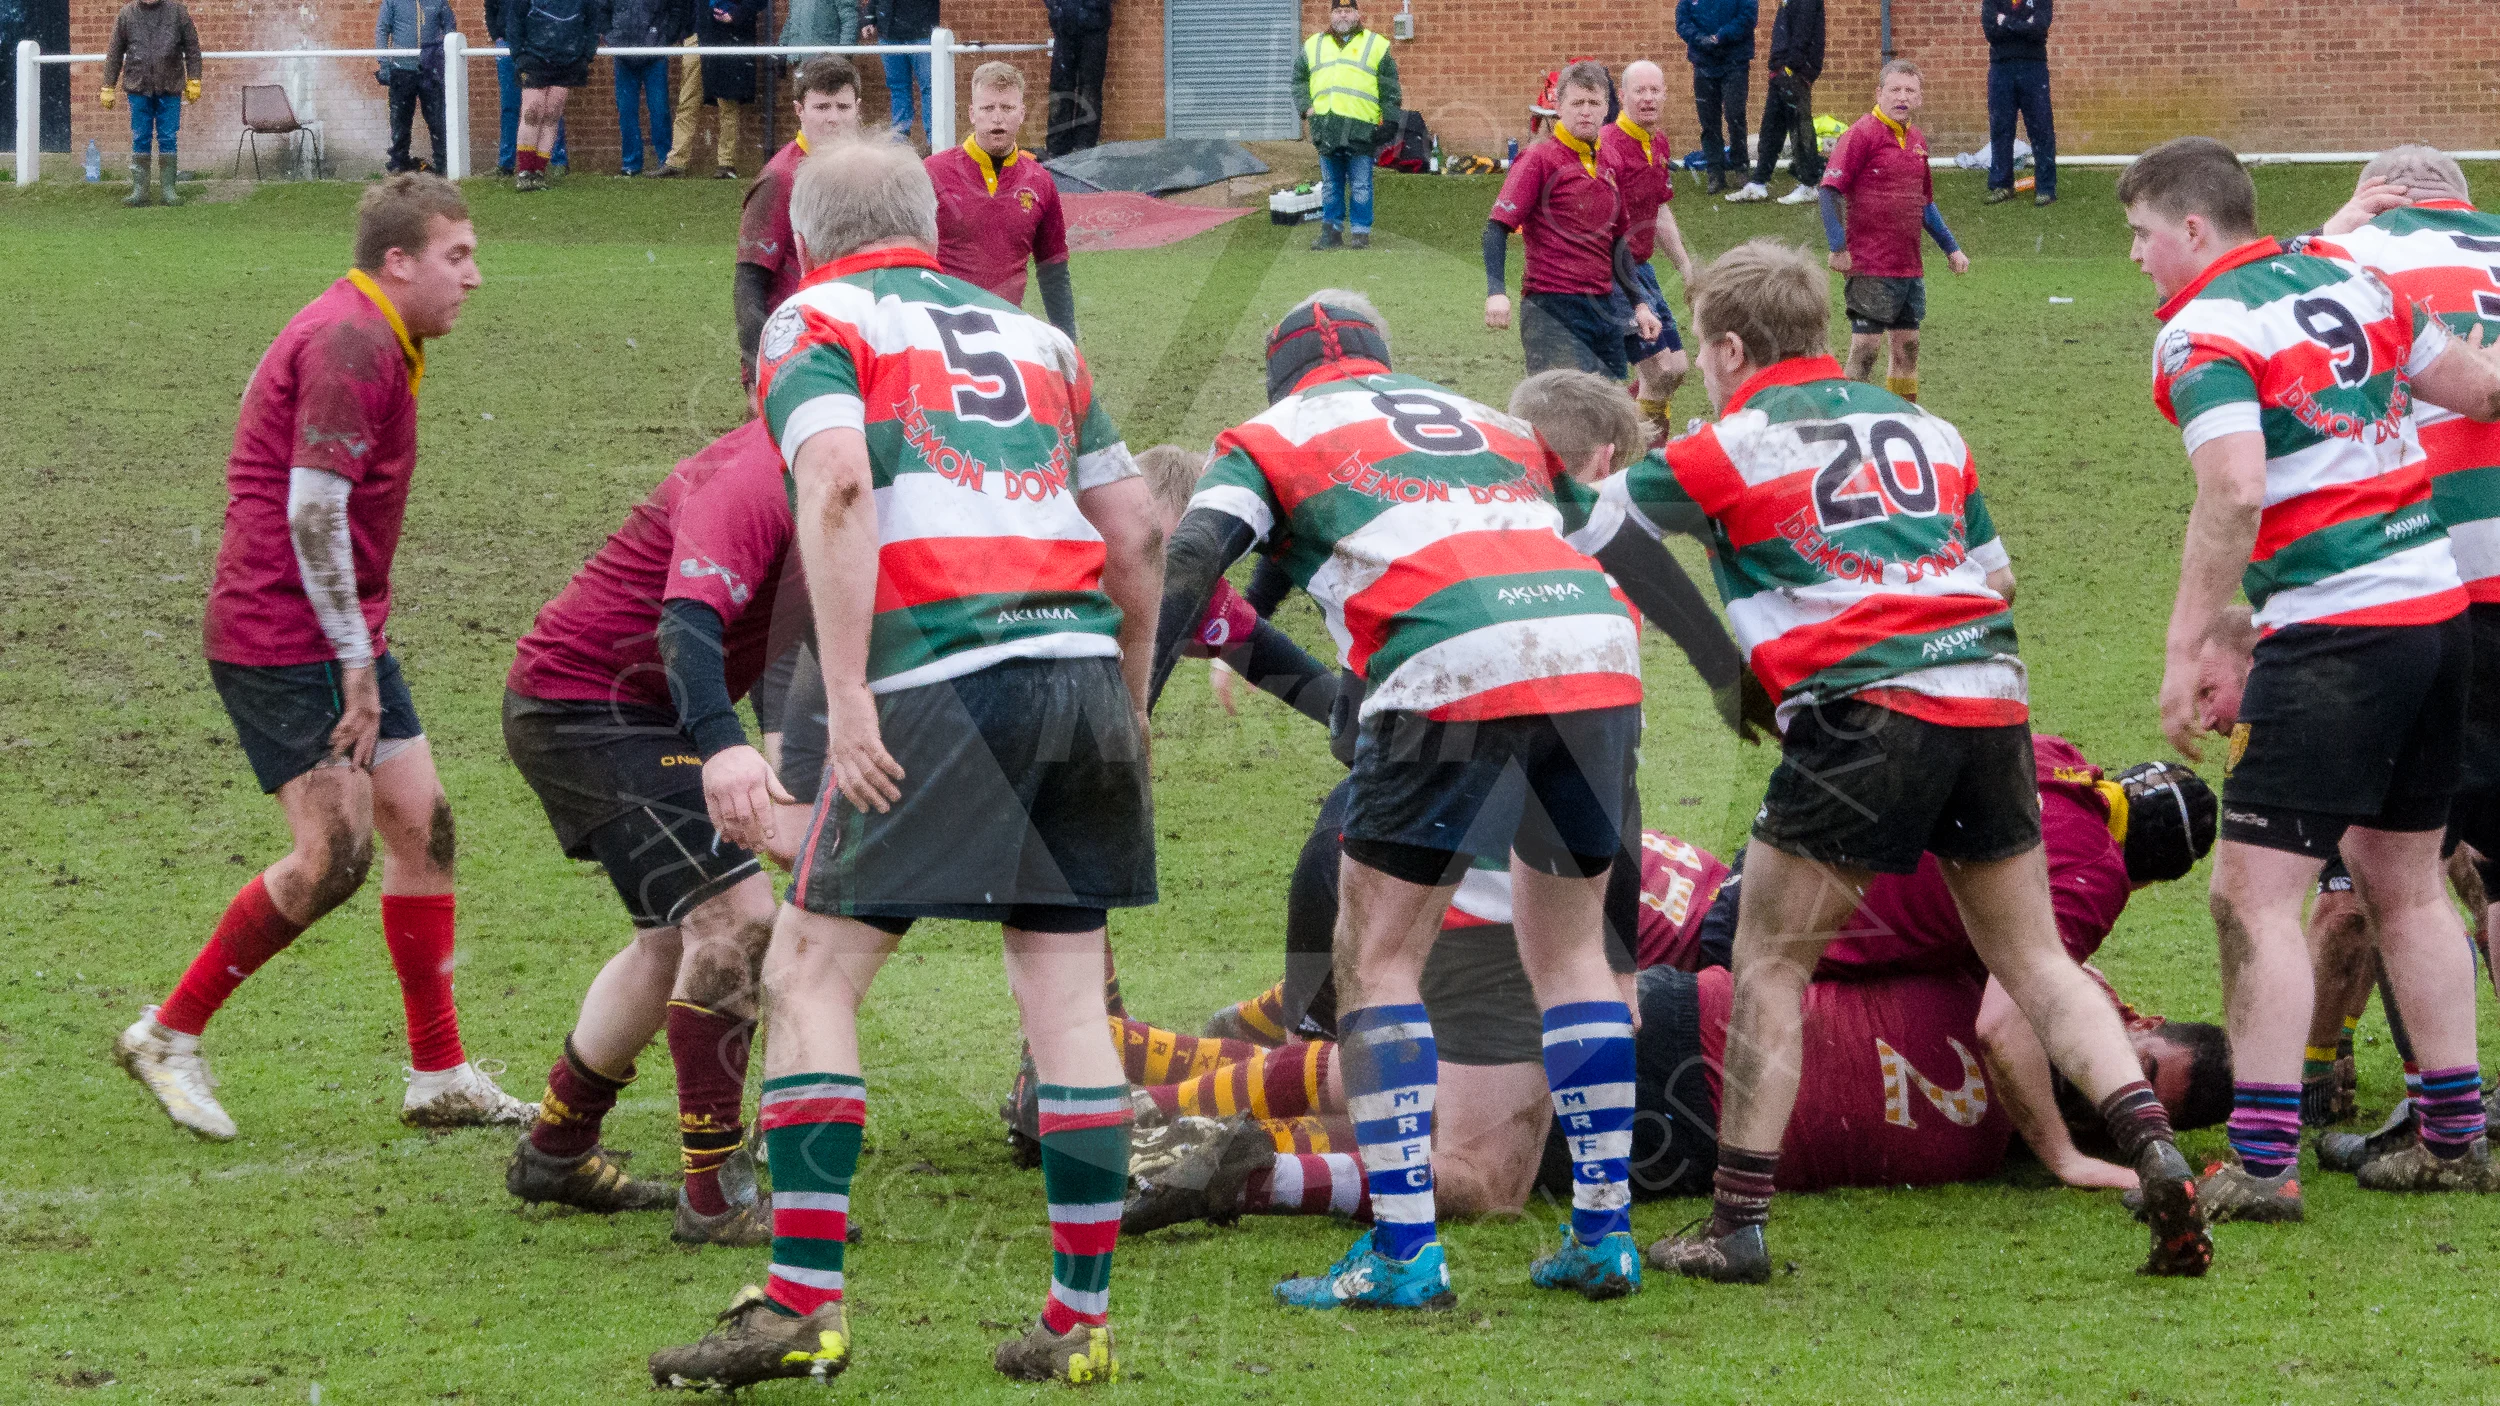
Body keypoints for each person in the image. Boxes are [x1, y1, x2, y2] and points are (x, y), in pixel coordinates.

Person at [646, 139, 1161, 1390]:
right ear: (930, 226)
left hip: (941, 679)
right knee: (1063, 996)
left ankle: (802, 1306)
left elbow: (832, 487)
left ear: (810, 239)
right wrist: (1128, 710)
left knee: (812, 969)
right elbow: (1139, 533)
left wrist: (852, 698)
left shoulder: (812, 316)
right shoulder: (1038, 339)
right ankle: (1079, 1321)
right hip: (1077, 670)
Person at [1611, 237, 2209, 1284]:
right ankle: (2155, 1147)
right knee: (2034, 962)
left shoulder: (1729, 441)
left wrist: (1733, 654)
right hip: (1988, 697)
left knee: (1768, 966)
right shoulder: (1928, 428)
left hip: (1863, 711)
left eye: (1705, 351)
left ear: (1732, 346)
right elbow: (1999, 576)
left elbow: (1598, 530)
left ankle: (1736, 1222)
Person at [1147, 300, 1765, 1310]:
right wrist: (1719, 668)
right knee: (1572, 957)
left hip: (1444, 661)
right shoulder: (1491, 422)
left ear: (1282, 379)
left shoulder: (1267, 436)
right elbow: (1623, 541)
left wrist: (1137, 706)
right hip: (1592, 661)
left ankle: (1400, 1252)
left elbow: (1189, 555)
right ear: (1384, 363)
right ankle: (1602, 1235)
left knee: (1379, 958)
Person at [1120, 751, 2231, 1235]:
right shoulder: (2032, 1008)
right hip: (1694, 1027)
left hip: (1691, 1061)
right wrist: (2078, 1149)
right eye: (2142, 1087)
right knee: (1446, 1128)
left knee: (1424, 1104)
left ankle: (1159, 1095)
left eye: (2146, 1099)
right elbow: (2018, 994)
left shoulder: (2032, 989)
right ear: (2129, 1027)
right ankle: (1182, 1111)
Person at [2123, 136, 2500, 1213]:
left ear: (2193, 228)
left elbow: (2234, 488)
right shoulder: (2351, 273)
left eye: (2141, 235)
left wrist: (2189, 640)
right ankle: (2452, 1135)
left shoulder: (2199, 330)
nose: (2137, 258)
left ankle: (2261, 1159)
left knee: (2252, 893)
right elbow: (2475, 388)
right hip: (2438, 616)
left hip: (2335, 634)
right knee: (2408, 881)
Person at [114, 177, 534, 1141]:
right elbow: (311, 511)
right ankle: (166, 1034)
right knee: (334, 856)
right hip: (282, 635)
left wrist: (360, 641)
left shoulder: (384, 329)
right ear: (399, 262)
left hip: (340, 629)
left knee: (423, 832)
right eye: (457, 256)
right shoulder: (353, 342)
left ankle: (439, 1076)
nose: (475, 277)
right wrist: (353, 657)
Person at [499, 421, 804, 1245]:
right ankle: (715, 1195)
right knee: (736, 921)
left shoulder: (838, 470)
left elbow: (789, 642)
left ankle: (557, 1147)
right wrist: (723, 748)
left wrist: (786, 772)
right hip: (589, 708)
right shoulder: (756, 474)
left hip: (627, 709)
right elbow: (688, 625)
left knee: (671, 944)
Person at [1485, 63, 1664, 381]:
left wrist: (1639, 304)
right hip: (1552, 308)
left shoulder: (1611, 159)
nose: (1585, 112)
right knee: (1563, 411)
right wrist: (1496, 291)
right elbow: (1497, 227)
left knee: (1609, 410)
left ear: (1607, 108)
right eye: (1577, 103)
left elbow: (1619, 240)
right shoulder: (1538, 159)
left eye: (1593, 103)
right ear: (1558, 107)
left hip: (1603, 307)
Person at [1819, 60, 1968, 402]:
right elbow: (1829, 190)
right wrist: (1837, 246)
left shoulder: (1916, 140)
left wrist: (1951, 248)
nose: (1902, 97)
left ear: (1919, 98)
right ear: (1879, 93)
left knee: (1908, 349)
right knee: (1866, 350)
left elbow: (1924, 204)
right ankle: (1847, 420)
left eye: (1909, 91)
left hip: (1908, 267)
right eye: (1895, 89)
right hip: (1870, 265)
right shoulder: (1861, 134)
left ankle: (1902, 420)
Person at [737, 55, 865, 380]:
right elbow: (749, 282)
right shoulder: (780, 178)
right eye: (822, 107)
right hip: (796, 350)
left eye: (843, 107)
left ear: (858, 108)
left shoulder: (868, 172)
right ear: (799, 111)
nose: (833, 118)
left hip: (853, 343)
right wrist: (756, 372)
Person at [928, 63, 1076, 338]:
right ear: (972, 114)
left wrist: (1068, 341)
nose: (997, 118)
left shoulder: (1040, 182)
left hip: (1006, 333)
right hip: (940, 330)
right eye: (988, 108)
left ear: (1021, 114)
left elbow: (1053, 270)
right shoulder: (932, 172)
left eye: (1007, 108)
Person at [1599, 60, 1698, 434]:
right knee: (1657, 373)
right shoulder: (1608, 146)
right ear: (1622, 97)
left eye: (1655, 90)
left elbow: (1658, 209)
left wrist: (1685, 266)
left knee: (1677, 370)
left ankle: (1622, 425)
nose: (1648, 98)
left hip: (1642, 268)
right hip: (1613, 273)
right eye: (1639, 91)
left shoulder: (1657, 142)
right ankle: (1646, 463)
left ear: (1665, 96)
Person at [1292, 1, 1399, 251]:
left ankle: (1360, 234)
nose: (1343, 14)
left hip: (1361, 128)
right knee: (1331, 185)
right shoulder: (1313, 44)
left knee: (1361, 184)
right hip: (1326, 127)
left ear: (1357, 14)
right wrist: (1306, 107)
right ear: (1330, 15)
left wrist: (1391, 119)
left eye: (1347, 10)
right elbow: (1298, 79)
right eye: (1338, 10)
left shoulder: (1376, 44)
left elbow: (1390, 86)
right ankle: (1332, 233)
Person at [497, 0, 607, 190]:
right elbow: (515, 21)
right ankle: (525, 172)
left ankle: (539, 172)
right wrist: (519, 55)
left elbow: (592, 23)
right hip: (533, 57)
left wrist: (586, 55)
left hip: (568, 60)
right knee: (532, 112)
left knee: (551, 115)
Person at [100, 0, 201, 207]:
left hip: (170, 86)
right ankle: (140, 191)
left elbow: (192, 48)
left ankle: (168, 191)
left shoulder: (178, 12)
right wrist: (108, 86)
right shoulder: (126, 14)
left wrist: (195, 79)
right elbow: (115, 53)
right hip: (138, 87)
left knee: (168, 137)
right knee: (140, 137)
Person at [1729, 0, 1822, 205]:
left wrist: (1790, 67)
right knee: (1771, 126)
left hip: (1794, 72)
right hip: (1781, 71)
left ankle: (1809, 184)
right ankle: (1759, 182)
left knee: (1799, 126)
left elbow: (1803, 33)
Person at [662, 0, 759, 178]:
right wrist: (685, 31)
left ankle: (726, 164)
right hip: (697, 37)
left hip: (726, 37)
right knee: (688, 100)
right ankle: (676, 163)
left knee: (727, 101)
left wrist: (736, 15)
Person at [1674, 0, 1754, 197]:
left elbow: (1748, 16)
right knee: (1708, 122)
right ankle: (1715, 173)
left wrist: (1721, 36)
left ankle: (1741, 168)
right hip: (1703, 63)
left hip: (1735, 62)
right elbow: (1682, 21)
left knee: (1735, 116)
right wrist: (1700, 38)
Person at [1982, 0, 2055, 207]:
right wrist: (2025, 25)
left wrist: (2005, 21)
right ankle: (2001, 185)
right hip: (2000, 68)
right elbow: (1990, 31)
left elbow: (2040, 29)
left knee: (2041, 128)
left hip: (2034, 67)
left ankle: (2046, 188)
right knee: (2001, 127)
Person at [608, 0, 686, 176]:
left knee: (660, 110)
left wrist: (666, 37)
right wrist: (611, 36)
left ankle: (665, 162)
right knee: (626, 111)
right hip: (623, 55)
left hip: (655, 54)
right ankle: (631, 164)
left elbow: (676, 9)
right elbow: (602, 9)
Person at [376, 0, 453, 175]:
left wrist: (443, 58)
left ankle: (444, 167)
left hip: (430, 70)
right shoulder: (392, 2)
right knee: (400, 121)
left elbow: (450, 28)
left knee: (437, 121)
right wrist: (384, 64)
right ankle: (398, 165)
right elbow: (382, 30)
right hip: (401, 70)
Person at [863, 0, 941, 147]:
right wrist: (869, 18)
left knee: (929, 87)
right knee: (898, 87)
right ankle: (899, 141)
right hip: (889, 34)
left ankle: (935, 140)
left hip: (921, 33)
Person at [1043, 0, 1111, 157]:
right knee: (1060, 87)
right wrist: (1056, 8)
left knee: (1089, 88)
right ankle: (1057, 146)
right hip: (1064, 28)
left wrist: (1093, 7)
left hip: (1095, 28)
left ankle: (1085, 143)